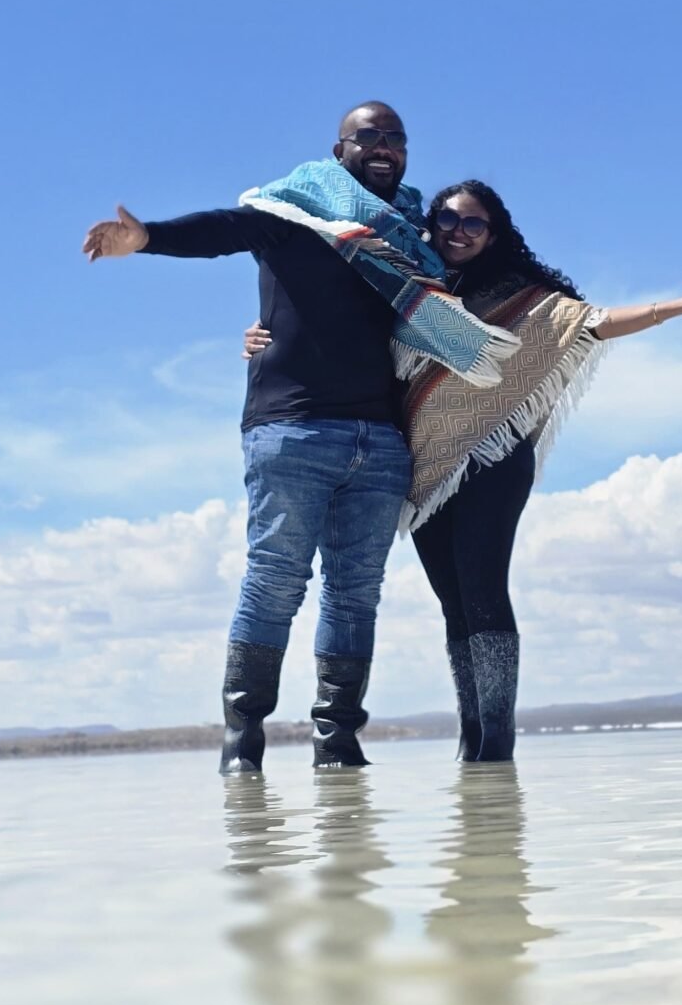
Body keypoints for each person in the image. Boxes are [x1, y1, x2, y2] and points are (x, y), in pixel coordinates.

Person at [248, 178, 682, 762]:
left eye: (473, 223)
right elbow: (335, 328)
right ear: (430, 226)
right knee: (453, 604)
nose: (459, 232)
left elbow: (594, 321)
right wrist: (264, 335)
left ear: (494, 233)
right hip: (426, 465)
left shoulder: (524, 297)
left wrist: (680, 307)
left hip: (492, 457)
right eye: (448, 220)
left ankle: (497, 743)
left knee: (484, 590)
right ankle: (474, 738)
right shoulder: (411, 287)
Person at [81, 103, 512, 776]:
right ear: (339, 147)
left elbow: (466, 313)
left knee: (355, 593)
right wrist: (148, 239)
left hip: (380, 439)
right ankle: (242, 739)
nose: (384, 147)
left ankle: (337, 741)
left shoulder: (406, 246)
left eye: (395, 138)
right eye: (368, 136)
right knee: (276, 582)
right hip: (293, 430)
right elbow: (226, 229)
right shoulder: (296, 213)